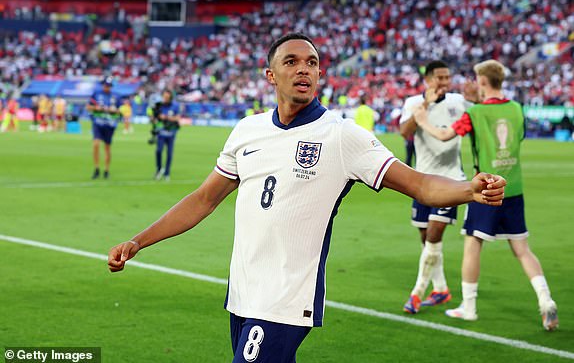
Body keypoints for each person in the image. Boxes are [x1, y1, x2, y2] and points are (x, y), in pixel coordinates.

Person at [108, 33, 506, 362]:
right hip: (243, 293)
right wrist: (139, 241)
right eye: (292, 61)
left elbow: (419, 185)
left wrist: (468, 190)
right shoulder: (247, 130)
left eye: (312, 62)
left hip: (286, 298)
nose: (304, 68)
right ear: (270, 75)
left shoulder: (341, 136)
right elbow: (203, 200)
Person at [414, 59, 558, 331]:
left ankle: (468, 308)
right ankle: (545, 300)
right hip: (514, 187)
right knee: (522, 249)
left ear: (482, 82)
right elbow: (520, 138)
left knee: (472, 245)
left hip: (486, 188)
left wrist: (423, 121)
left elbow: (446, 135)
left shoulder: (475, 113)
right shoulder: (517, 109)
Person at [398, 60, 476, 314]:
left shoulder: (458, 101)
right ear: (428, 80)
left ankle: (417, 293)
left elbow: (478, 117)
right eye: (439, 78)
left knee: (433, 235)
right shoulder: (413, 103)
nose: (444, 82)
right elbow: (404, 132)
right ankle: (441, 288)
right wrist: (426, 105)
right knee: (426, 238)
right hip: (422, 181)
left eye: (447, 77)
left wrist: (476, 100)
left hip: (451, 179)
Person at [87, 77, 121, 179]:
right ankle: (96, 168)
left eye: (109, 86)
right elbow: (89, 107)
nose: (107, 87)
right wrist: (97, 108)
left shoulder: (116, 96)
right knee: (96, 144)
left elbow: (121, 110)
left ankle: (106, 170)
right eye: (106, 85)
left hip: (110, 124)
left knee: (107, 147)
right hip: (98, 123)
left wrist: (113, 110)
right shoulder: (96, 94)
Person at [154, 89, 181, 181]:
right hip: (161, 132)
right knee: (158, 151)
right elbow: (155, 118)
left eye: (167, 97)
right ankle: (159, 169)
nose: (165, 99)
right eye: (164, 97)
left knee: (169, 154)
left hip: (171, 132)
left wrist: (166, 117)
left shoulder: (175, 106)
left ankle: (167, 173)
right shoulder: (159, 105)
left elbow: (177, 118)